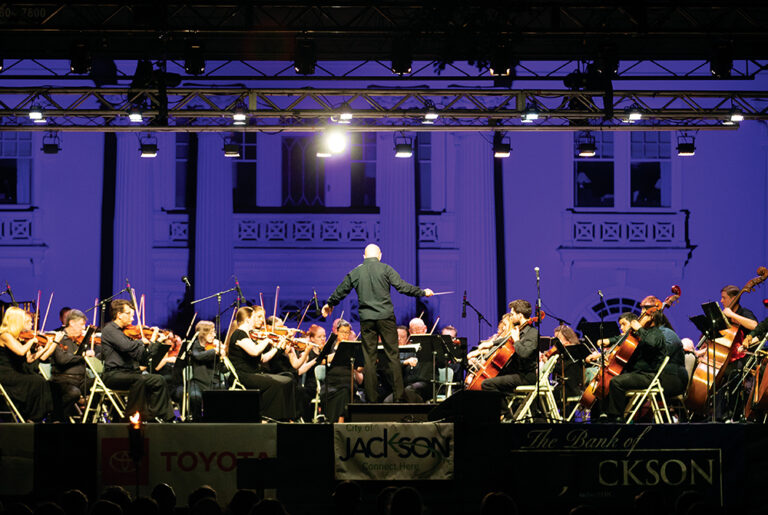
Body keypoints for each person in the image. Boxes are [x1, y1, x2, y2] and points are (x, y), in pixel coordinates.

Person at [322, 243, 434, 403]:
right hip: (385, 317)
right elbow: (402, 287)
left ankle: (371, 399)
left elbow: (342, 289)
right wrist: (422, 292)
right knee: (393, 356)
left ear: (364, 256)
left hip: (367, 319)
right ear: (380, 255)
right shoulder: (386, 269)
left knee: (369, 358)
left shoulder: (357, 271)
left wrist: (330, 303)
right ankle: (399, 397)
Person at [101, 299, 175, 421]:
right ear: (119, 315)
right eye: (129, 314)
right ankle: (132, 417)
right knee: (139, 379)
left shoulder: (125, 333)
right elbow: (126, 346)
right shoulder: (110, 330)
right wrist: (141, 341)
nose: (132, 318)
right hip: (113, 374)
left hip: (129, 373)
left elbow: (141, 356)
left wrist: (154, 343)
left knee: (158, 379)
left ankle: (162, 417)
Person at [225, 306, 296, 420]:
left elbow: (262, 358)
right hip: (244, 375)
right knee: (275, 384)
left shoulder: (249, 336)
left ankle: (289, 417)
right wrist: (267, 340)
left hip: (253, 373)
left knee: (288, 379)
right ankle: (267, 417)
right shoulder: (239, 334)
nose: (259, 320)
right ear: (248, 319)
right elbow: (254, 351)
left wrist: (277, 348)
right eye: (254, 317)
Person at [601, 297, 666, 422]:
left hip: (648, 375)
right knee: (606, 379)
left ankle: (617, 418)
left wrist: (639, 329)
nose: (640, 316)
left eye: (643, 314)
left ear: (651, 316)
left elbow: (652, 343)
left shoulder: (656, 333)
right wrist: (609, 342)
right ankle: (604, 414)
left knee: (616, 382)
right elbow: (625, 338)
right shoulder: (643, 333)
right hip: (637, 373)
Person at [0, 306, 53, 421]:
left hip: (17, 372)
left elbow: (29, 358)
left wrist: (45, 348)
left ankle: (39, 416)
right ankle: (32, 416)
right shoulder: (5, 335)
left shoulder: (19, 337)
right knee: (36, 382)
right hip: (6, 374)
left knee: (42, 381)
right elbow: (21, 351)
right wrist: (32, 341)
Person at [479, 300, 539, 395]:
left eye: (512, 314)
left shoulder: (533, 333)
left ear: (520, 315)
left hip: (525, 376)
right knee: (489, 379)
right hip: (515, 372)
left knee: (487, 384)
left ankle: (504, 410)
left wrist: (516, 340)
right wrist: (491, 343)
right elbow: (507, 340)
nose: (511, 317)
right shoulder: (520, 330)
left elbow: (524, 354)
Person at [49, 309, 97, 422]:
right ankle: (57, 417)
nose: (83, 328)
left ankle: (87, 419)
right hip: (63, 380)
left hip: (81, 380)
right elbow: (62, 359)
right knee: (73, 393)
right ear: (71, 323)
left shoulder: (80, 340)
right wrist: (83, 355)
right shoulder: (58, 337)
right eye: (81, 325)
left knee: (102, 384)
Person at [321, 319, 364, 421]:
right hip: (332, 381)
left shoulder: (352, 346)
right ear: (337, 332)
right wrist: (338, 352)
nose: (345, 335)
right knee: (343, 392)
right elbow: (322, 360)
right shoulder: (331, 345)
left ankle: (340, 420)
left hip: (347, 380)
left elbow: (359, 368)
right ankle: (337, 420)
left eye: (347, 332)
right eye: (342, 332)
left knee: (345, 391)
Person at [186, 320, 225, 420]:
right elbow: (198, 356)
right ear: (203, 334)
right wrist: (214, 351)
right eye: (211, 332)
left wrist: (222, 355)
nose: (214, 335)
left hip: (213, 381)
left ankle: (215, 420)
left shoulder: (215, 346)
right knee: (195, 397)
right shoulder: (195, 345)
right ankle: (197, 420)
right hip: (197, 382)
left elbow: (223, 368)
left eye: (214, 332)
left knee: (222, 393)